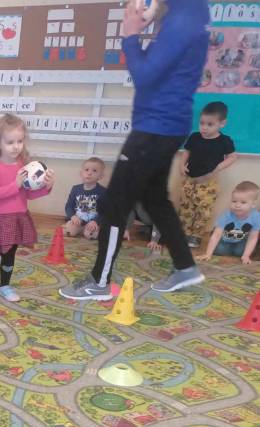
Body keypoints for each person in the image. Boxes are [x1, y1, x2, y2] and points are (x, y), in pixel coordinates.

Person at [59, 0, 211, 301]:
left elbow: (144, 75)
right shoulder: (192, 12)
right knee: (155, 198)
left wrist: (130, 35)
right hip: (168, 125)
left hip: (153, 129)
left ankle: (99, 282)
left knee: (114, 205)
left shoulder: (182, 20)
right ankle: (185, 266)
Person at [0, 114, 54, 316]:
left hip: (18, 219)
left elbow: (28, 194)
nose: (16, 146)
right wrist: (14, 184)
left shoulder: (23, 166)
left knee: (10, 257)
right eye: (10, 142)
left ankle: (4, 286)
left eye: (19, 141)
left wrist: (47, 187)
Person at [178, 100, 237, 248]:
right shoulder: (195, 137)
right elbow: (187, 151)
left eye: (210, 124)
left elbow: (232, 157)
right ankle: (184, 233)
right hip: (190, 180)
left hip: (208, 183)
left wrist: (218, 167)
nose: (204, 127)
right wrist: (182, 165)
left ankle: (196, 236)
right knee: (186, 207)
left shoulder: (224, 141)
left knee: (203, 210)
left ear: (222, 123)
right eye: (202, 123)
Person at [195, 181, 259, 264]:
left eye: (243, 202)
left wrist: (246, 255)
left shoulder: (256, 217)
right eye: (234, 201)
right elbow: (217, 235)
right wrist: (208, 254)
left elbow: (253, 237)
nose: (237, 205)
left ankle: (238, 251)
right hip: (224, 240)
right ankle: (225, 248)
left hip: (241, 240)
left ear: (253, 204)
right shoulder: (226, 215)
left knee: (241, 252)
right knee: (220, 251)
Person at [63, 157, 107, 240]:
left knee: (91, 235)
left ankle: (89, 230)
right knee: (68, 232)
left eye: (94, 171)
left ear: (101, 176)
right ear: (81, 173)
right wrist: (72, 216)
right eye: (86, 170)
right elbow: (68, 206)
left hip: (92, 223)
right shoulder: (75, 189)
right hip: (77, 221)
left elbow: (104, 211)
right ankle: (78, 229)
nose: (89, 173)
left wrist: (96, 221)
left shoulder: (103, 191)